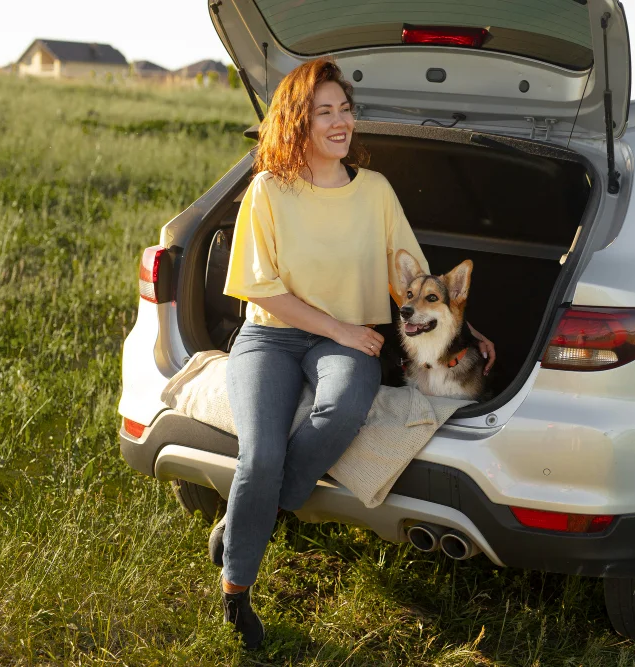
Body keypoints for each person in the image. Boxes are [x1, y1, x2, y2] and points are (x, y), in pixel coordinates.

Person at [213, 57, 496, 650]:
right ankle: (237, 595)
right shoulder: (268, 189)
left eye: (346, 109)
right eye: (325, 112)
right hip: (271, 334)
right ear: (299, 120)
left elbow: (419, 279)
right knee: (259, 456)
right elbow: (260, 289)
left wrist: (468, 332)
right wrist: (341, 330)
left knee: (342, 411)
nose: (340, 122)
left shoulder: (375, 192)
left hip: (345, 341)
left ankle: (256, 511)